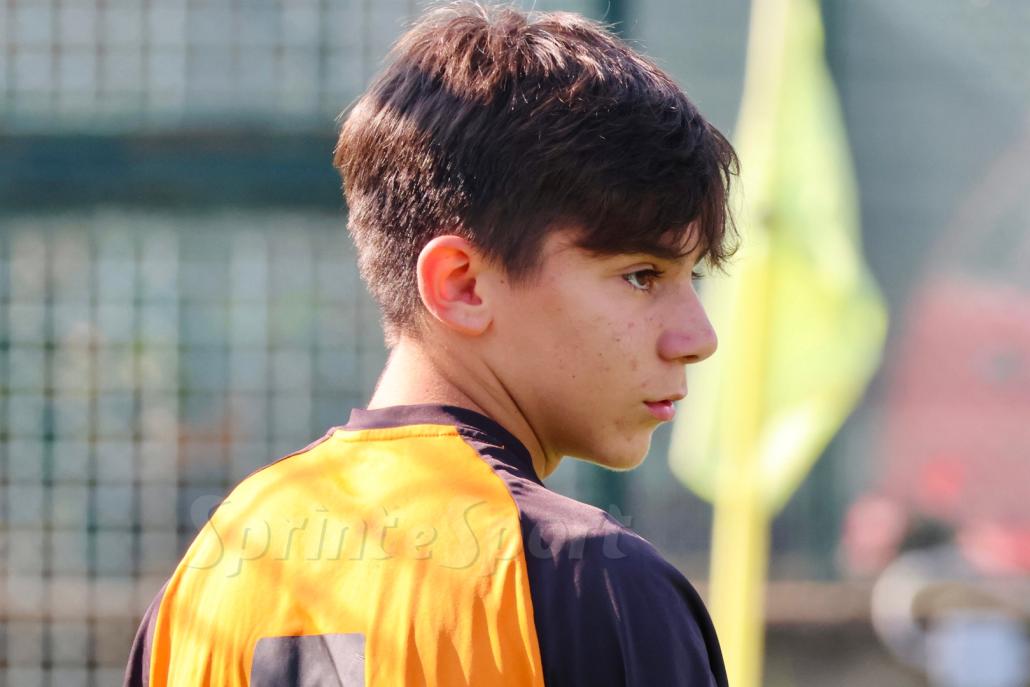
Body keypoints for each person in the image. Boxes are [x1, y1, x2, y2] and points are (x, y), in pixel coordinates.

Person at [125, 2, 737, 685]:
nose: (699, 338)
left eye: (693, 277)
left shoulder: (210, 573)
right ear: (462, 285)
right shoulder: (597, 587)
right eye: (641, 275)